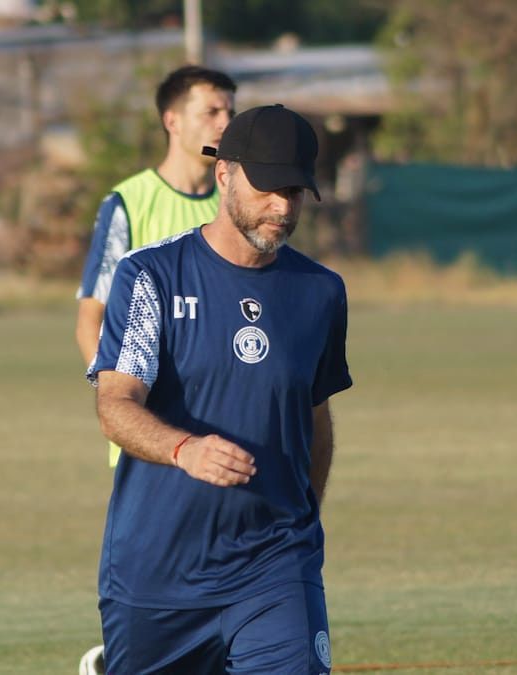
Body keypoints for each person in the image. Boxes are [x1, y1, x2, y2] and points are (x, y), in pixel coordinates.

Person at [86, 104, 350, 673]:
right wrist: (185, 449)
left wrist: (303, 517)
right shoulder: (150, 277)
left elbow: (315, 416)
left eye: (296, 191)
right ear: (225, 174)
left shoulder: (321, 292)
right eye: (267, 188)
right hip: (155, 575)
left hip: (276, 566)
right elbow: (115, 405)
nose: (282, 206)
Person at [73, 65, 236, 675]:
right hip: (150, 438)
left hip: (228, 425)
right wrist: (119, 397)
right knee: (155, 582)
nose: (224, 122)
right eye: (211, 112)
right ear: (173, 120)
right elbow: (90, 317)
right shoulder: (130, 202)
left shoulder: (239, 200)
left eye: (229, 112)